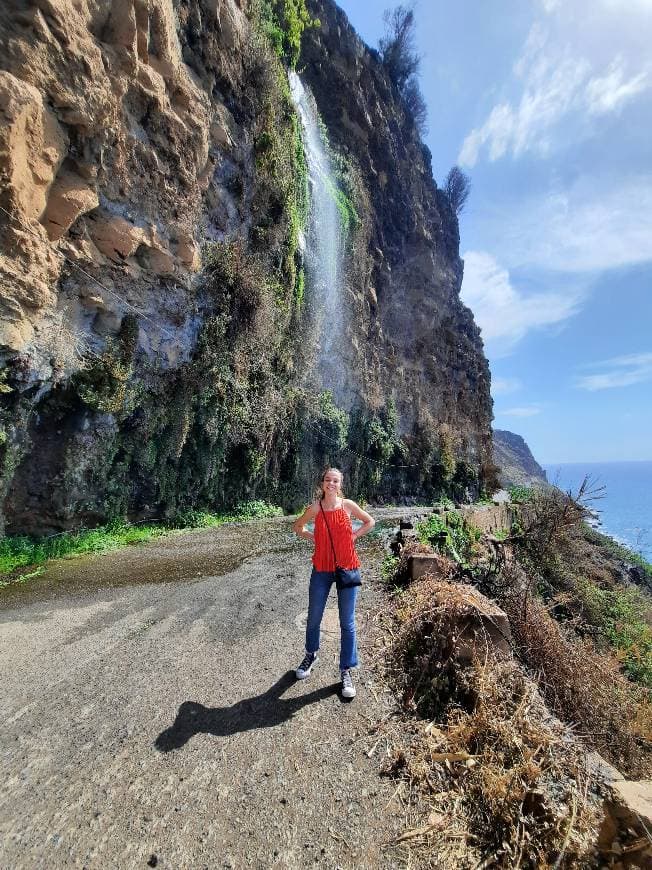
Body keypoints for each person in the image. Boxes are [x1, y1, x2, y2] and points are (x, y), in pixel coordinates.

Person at [292, 467, 375, 699]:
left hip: (347, 567)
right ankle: (311, 655)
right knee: (314, 617)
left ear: (340, 484)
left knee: (347, 623)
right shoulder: (315, 508)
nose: (331, 484)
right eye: (327, 480)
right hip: (321, 569)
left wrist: (354, 536)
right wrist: (314, 537)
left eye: (335, 481)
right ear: (322, 483)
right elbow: (297, 527)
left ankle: (346, 669)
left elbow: (370, 522)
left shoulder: (348, 506)